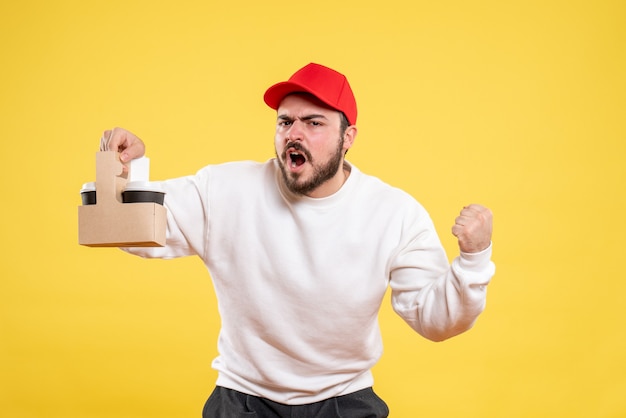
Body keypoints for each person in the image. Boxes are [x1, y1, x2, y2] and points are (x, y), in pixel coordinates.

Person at [100, 63, 495, 418]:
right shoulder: (225, 191)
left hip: (344, 400)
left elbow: (436, 320)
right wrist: (127, 170)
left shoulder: (394, 213)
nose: (294, 134)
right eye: (285, 122)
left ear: (348, 137)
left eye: (314, 123)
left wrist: (473, 260)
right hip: (242, 400)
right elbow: (132, 231)